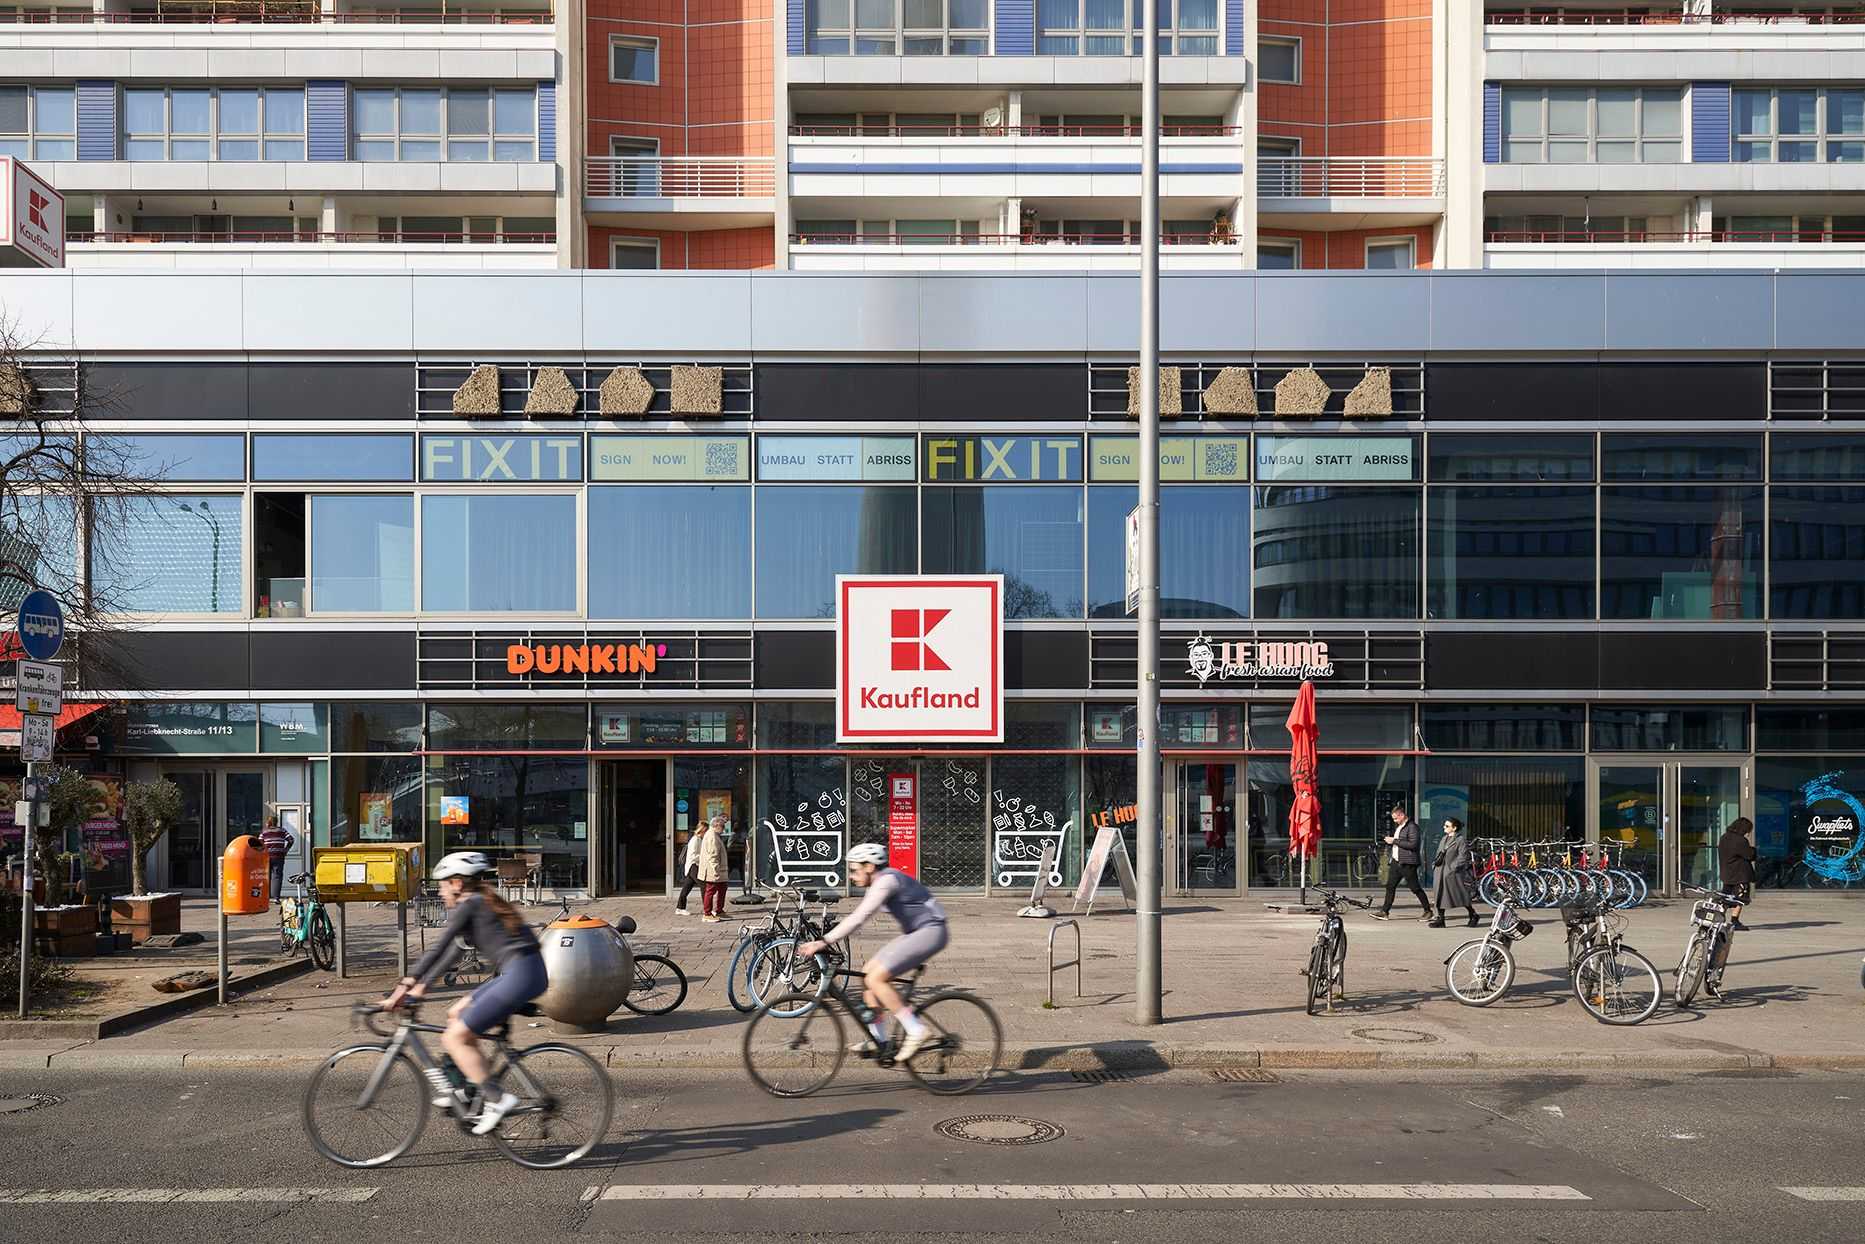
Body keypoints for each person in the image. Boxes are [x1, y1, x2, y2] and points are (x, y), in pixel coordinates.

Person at [382, 852, 547, 1136]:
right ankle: (464, 1089)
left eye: (442, 885)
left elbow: (437, 948)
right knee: (455, 1013)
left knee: (454, 1037)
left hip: (521, 976)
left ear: (457, 883)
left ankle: (497, 1100)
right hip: (522, 973)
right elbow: (452, 953)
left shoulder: (470, 904)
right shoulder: (479, 903)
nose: (440, 891)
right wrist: (422, 987)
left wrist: (404, 986)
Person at [796, 841, 948, 1064]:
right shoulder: (882, 881)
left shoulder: (886, 881)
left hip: (931, 931)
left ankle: (915, 1029)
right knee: (867, 973)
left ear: (869, 866)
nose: (851, 876)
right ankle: (879, 1039)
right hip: (918, 932)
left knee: (877, 978)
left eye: (854, 870)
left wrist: (823, 942)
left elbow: (859, 917)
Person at [1373, 804, 1433, 922]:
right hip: (1396, 862)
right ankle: (1384, 911)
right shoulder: (1400, 827)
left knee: (1415, 888)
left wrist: (1394, 841)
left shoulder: (1412, 827)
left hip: (1408, 863)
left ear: (1401, 815)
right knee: (1390, 886)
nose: (1394, 821)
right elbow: (1400, 842)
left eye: (1395, 818)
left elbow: (1413, 844)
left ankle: (1428, 911)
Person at [1428, 817, 1479, 928]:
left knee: (1460, 895)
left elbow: (1463, 856)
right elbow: (1439, 853)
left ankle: (1473, 914)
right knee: (1439, 895)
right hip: (1440, 871)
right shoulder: (1444, 838)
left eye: (1447, 826)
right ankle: (1440, 919)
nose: (1444, 827)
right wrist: (1434, 865)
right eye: (1444, 825)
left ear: (1454, 828)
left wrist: (1452, 868)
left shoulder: (1460, 840)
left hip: (1451, 873)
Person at [696, 815, 729, 923]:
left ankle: (719, 910)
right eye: (722, 826)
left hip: (718, 869)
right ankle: (707, 914)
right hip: (712, 870)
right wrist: (716, 870)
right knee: (710, 890)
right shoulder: (712, 836)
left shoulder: (714, 835)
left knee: (722, 887)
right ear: (717, 825)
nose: (724, 829)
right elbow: (713, 855)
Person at [259, 815, 294, 904]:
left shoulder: (264, 832)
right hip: (279, 856)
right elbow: (291, 840)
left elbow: (259, 843)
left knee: (266, 876)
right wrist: (285, 850)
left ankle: (266, 897)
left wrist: (262, 852)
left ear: (269, 823)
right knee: (277, 876)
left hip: (266, 857)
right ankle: (276, 898)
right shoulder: (282, 831)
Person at [674, 826, 704, 916]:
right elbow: (693, 855)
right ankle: (708, 909)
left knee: (686, 887)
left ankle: (680, 908)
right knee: (704, 886)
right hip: (693, 865)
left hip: (693, 865)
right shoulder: (695, 840)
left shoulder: (698, 839)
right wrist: (703, 856)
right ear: (702, 831)